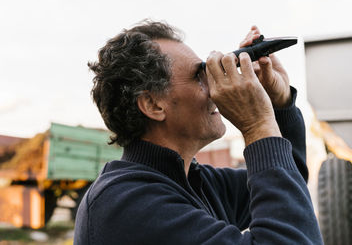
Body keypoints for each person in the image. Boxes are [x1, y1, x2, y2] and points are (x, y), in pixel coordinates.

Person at [74, 20, 323, 244]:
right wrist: (257, 126)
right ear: (153, 105)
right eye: (199, 76)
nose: (215, 88)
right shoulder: (126, 204)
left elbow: (291, 183)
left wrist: (279, 105)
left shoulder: (194, 182)